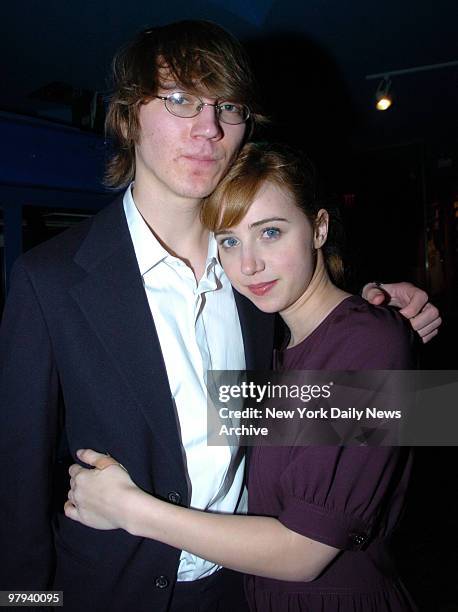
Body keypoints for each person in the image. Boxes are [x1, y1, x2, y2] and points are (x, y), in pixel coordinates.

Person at [0, 21, 438, 612]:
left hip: (247, 587)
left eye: (227, 107)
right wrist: (28, 604)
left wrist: (382, 325)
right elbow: (16, 488)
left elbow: (331, 411)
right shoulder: (46, 280)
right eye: (180, 99)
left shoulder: (255, 281)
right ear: (128, 117)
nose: (208, 128)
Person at [65, 143, 418, 611]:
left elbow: (304, 553)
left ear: (319, 228)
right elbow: (412, 421)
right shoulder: (273, 344)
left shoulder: (368, 340)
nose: (248, 264)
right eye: (229, 241)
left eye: (270, 232)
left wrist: (129, 508)